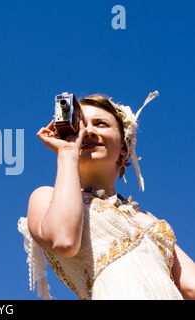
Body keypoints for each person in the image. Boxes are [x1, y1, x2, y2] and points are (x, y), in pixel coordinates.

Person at [18, 91, 195, 300]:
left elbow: (191, 288)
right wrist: (67, 152)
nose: (89, 131)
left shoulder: (152, 221)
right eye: (80, 124)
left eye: (101, 124)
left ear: (124, 146)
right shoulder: (45, 198)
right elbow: (64, 240)